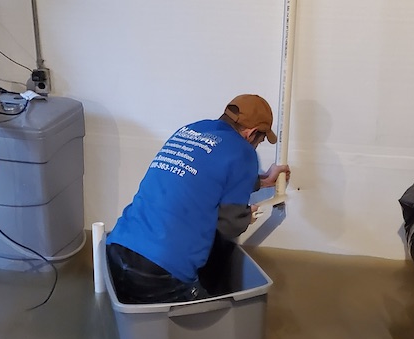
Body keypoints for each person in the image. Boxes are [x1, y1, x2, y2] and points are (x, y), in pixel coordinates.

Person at [106, 94, 290, 303]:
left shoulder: (192, 130)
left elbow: (203, 176)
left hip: (117, 249)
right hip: (160, 271)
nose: (256, 146)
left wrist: (262, 181)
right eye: (261, 140)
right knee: (215, 317)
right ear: (252, 133)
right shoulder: (243, 152)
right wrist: (246, 217)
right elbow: (229, 226)